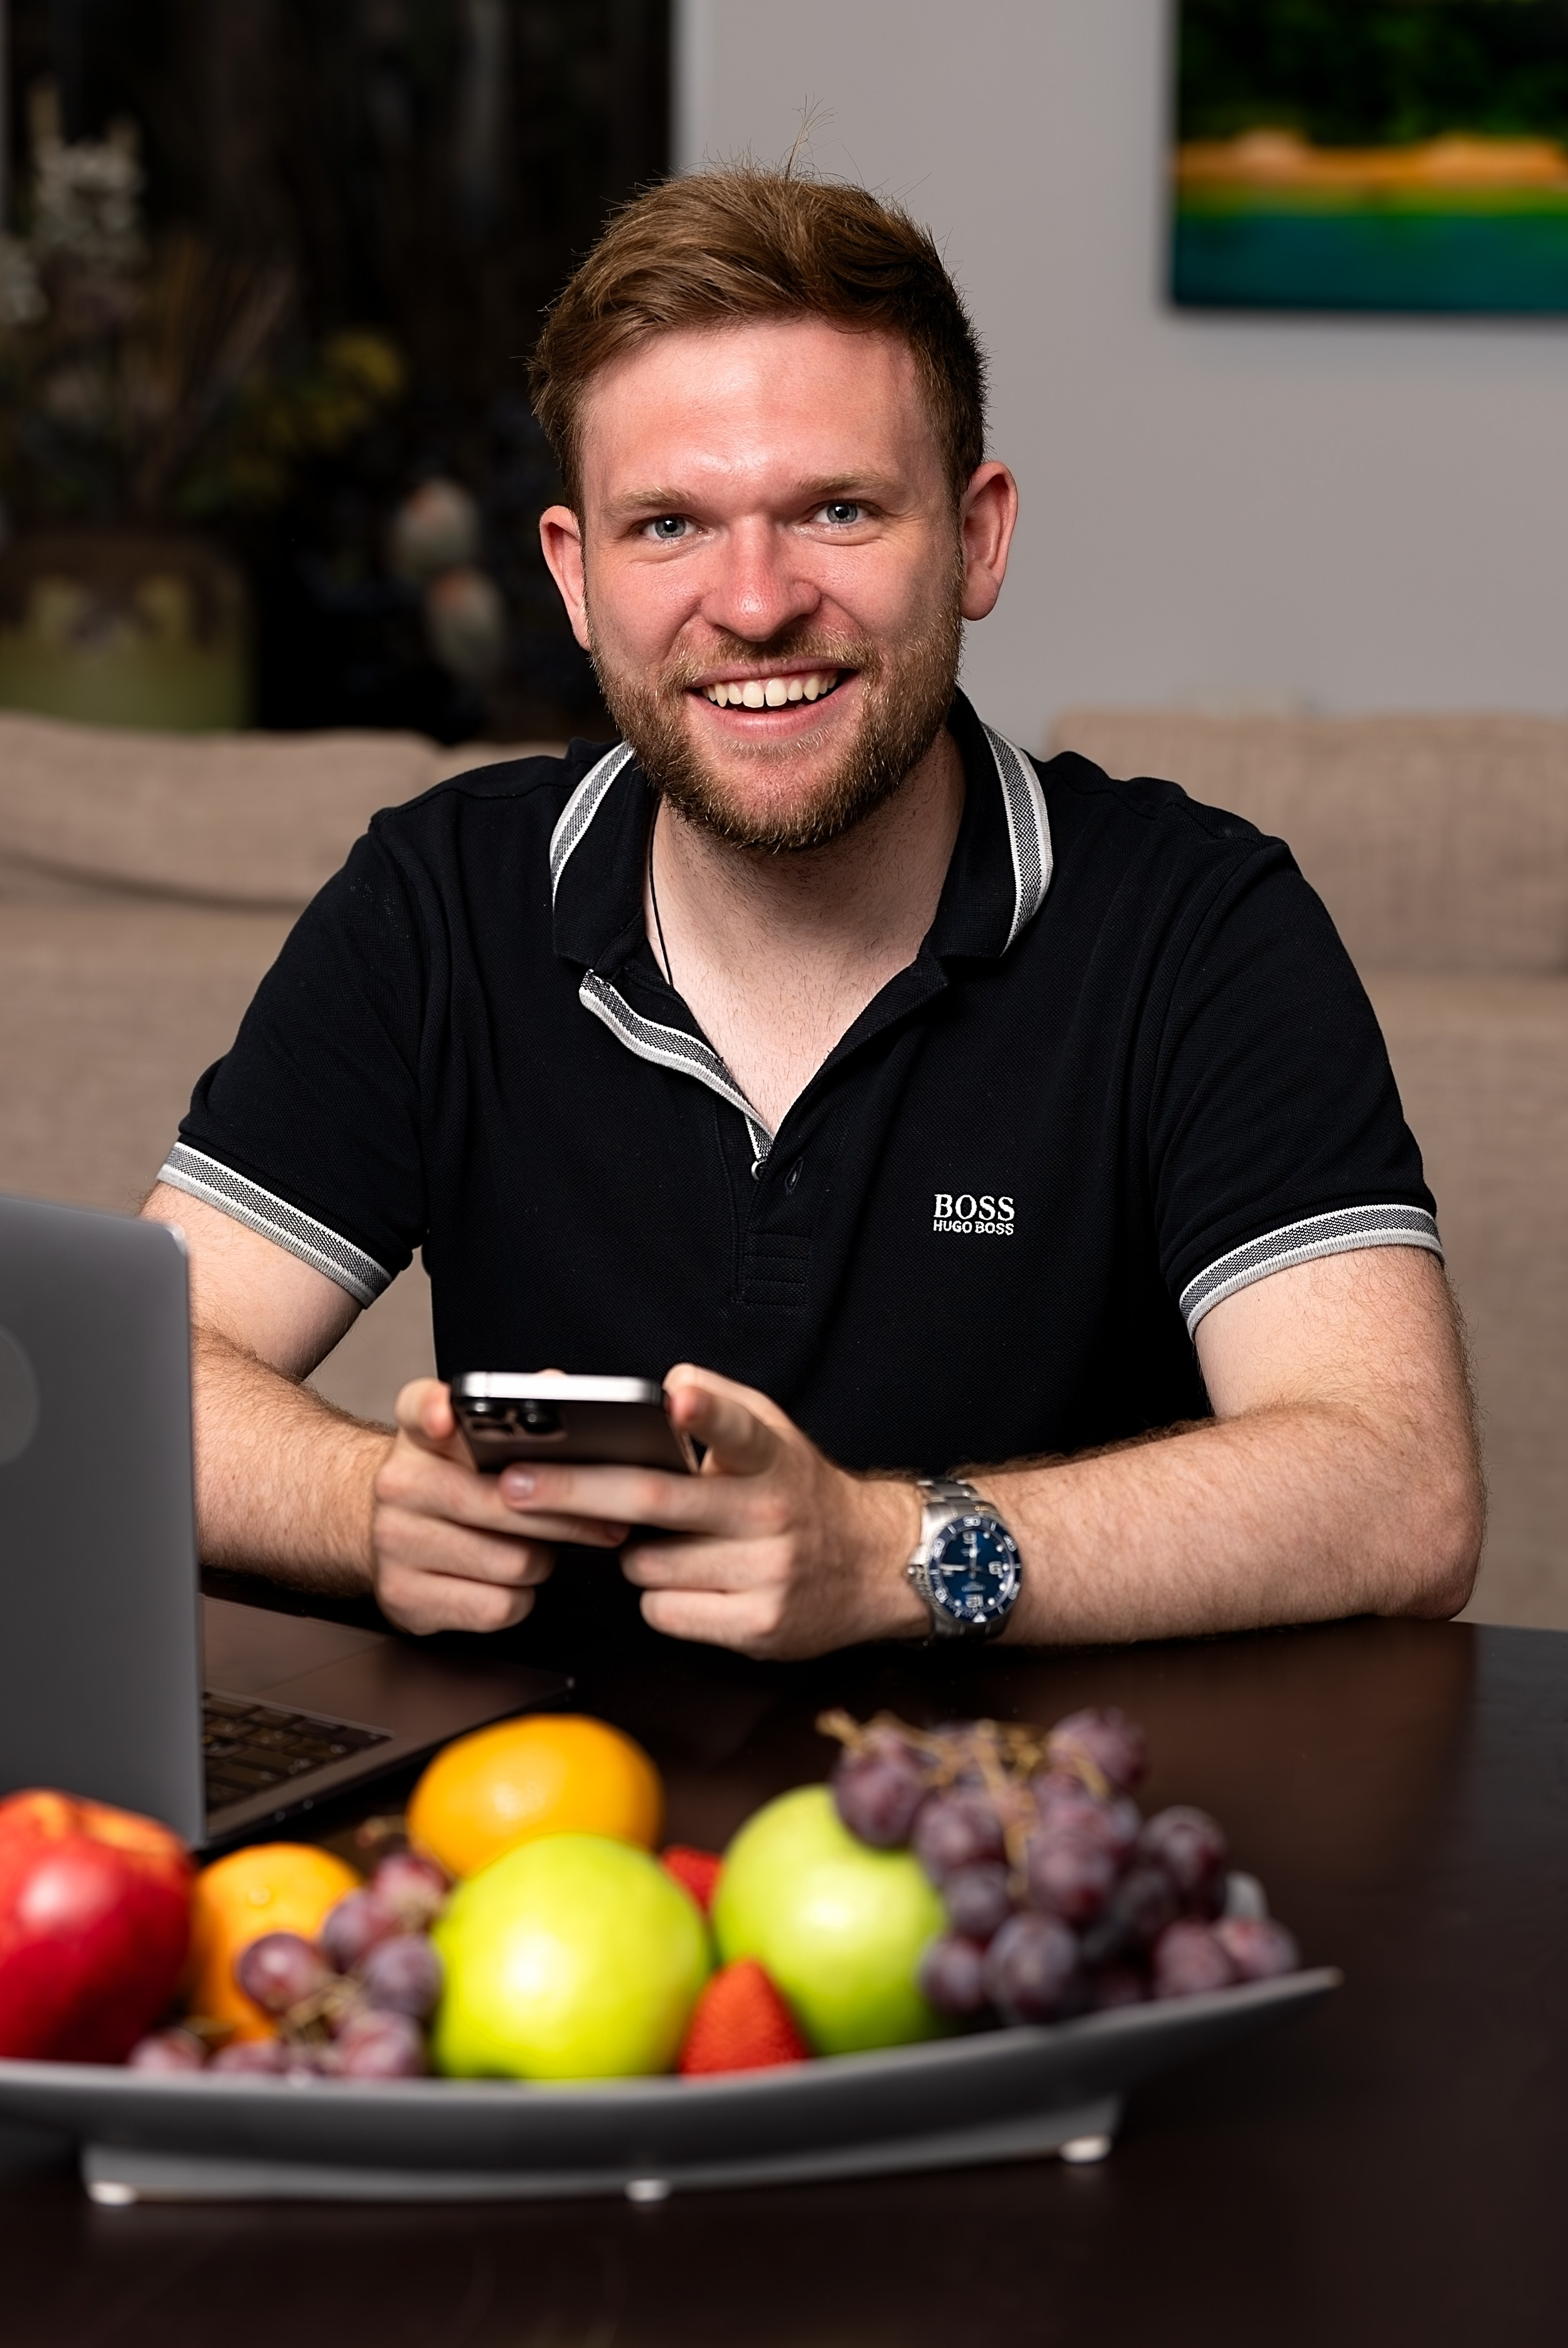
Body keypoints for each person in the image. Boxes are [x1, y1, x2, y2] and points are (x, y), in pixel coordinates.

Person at [141, 169, 1482, 1661]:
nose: (756, 601)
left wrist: (890, 1553)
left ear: (975, 539)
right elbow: (143, 1377)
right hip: (546, 1834)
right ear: (575, 581)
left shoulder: (1197, 924)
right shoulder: (436, 901)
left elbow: (1397, 1489)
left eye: (836, 509)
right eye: (667, 527)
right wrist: (359, 1504)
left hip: (1044, 1842)